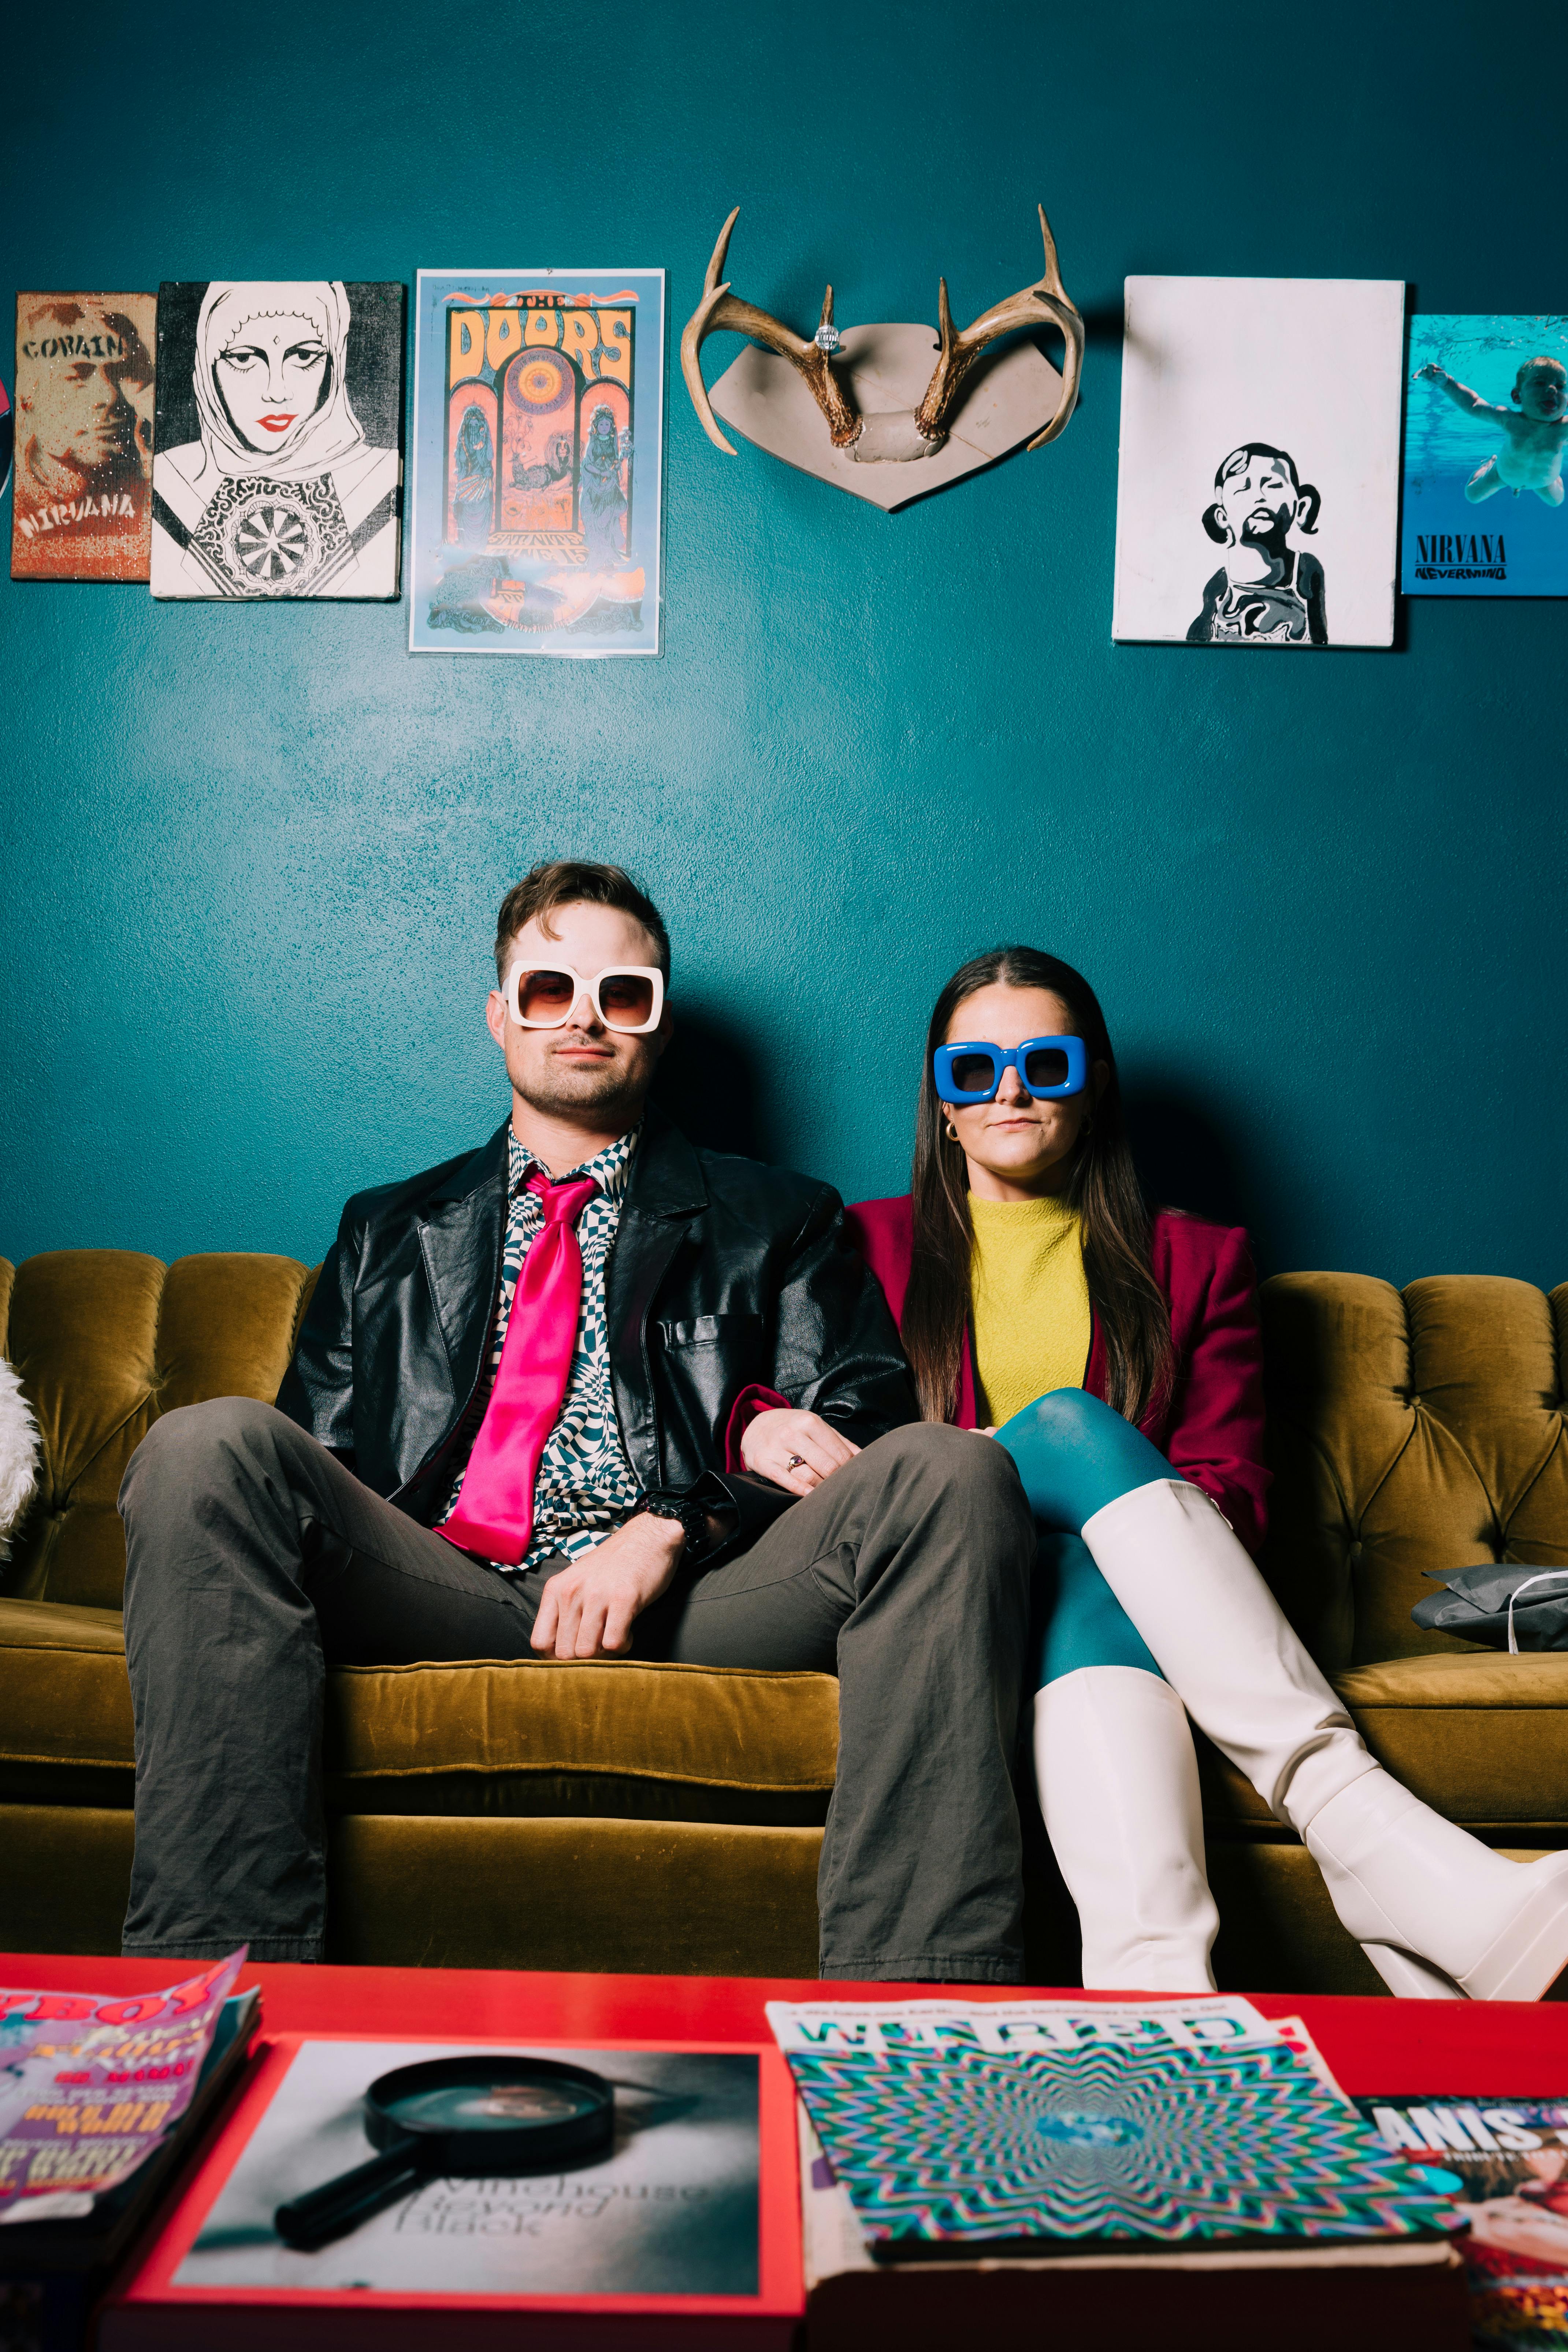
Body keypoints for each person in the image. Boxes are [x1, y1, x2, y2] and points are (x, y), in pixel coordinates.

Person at [117, 864, 1037, 1981]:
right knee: (204, 1445)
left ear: (658, 1020)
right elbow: (319, 1463)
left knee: (949, 1469)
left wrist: (672, 1523)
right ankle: (204, 1999)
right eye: (550, 988)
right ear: (500, 1012)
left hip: (702, 1594)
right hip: (445, 1583)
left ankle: (916, 2023)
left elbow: (861, 1421)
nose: (587, 1016)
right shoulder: (385, 1228)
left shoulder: (777, 1216)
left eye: (623, 991)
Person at [848, 946, 1568, 2002]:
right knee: (1060, 1431)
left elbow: (1229, 1480)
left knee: (1086, 1561)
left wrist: (1101, 1519)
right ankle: (1365, 1835)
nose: (1009, 1089)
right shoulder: (859, 1245)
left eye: (1043, 1063)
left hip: (1129, 1598)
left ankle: (1157, 1995)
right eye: (973, 1070)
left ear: (1089, 1088)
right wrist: (1056, 1459)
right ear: (941, 1104)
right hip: (938, 1601)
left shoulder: (1196, 1257)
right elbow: (853, 1460)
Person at [150, 280, 399, 599]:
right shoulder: (172, 477)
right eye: (243, 359)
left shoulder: (378, 476)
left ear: (336, 360)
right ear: (208, 367)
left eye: (305, 356)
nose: (277, 392)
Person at [1186, 442, 1327, 644]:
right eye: (1243, 489)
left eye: (1273, 485)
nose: (1259, 497)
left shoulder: (1306, 571)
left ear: (1301, 507)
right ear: (1222, 517)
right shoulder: (1218, 587)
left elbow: (1322, 643)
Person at [1414, 354, 1568, 508]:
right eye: (1540, 383)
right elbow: (1474, 404)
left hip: (1544, 482)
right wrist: (1447, 383)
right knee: (1472, 495)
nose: (1552, 389)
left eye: (1561, 386)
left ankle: (1556, 479)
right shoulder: (1510, 420)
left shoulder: (1564, 427)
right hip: (1502, 475)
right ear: (1517, 396)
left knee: (1557, 502)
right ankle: (1491, 464)